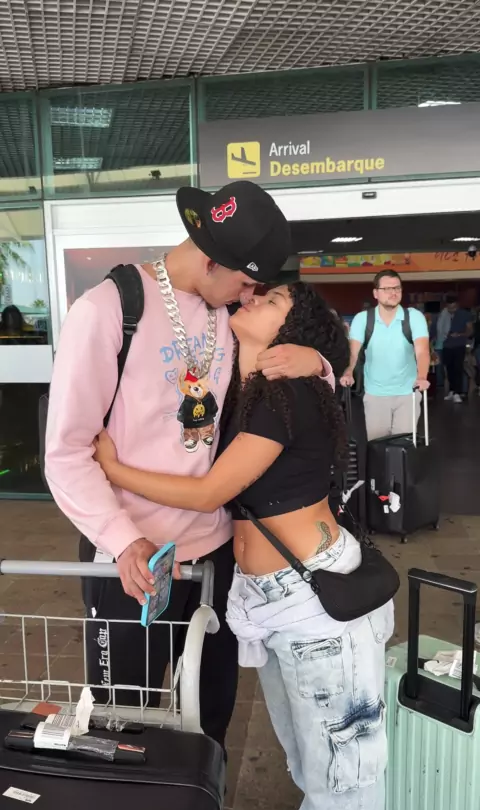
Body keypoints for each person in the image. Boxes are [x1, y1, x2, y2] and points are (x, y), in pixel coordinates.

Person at [94, 281, 394, 810]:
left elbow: (210, 492)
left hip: (313, 598)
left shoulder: (288, 394)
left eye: (272, 301)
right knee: (309, 759)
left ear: (291, 333)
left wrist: (114, 470)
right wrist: (323, 361)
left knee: (342, 774)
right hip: (276, 596)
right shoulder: (250, 390)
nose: (251, 299)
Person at [45, 180, 333, 754]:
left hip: (214, 558)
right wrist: (123, 540)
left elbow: (294, 375)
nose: (249, 297)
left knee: (210, 717)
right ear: (210, 261)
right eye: (246, 283)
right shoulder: (109, 310)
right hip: (132, 563)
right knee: (121, 723)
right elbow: (67, 452)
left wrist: (318, 361)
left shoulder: (224, 316)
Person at [340, 269, 430, 441]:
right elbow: (353, 351)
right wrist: (348, 371)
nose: (393, 293)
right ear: (376, 293)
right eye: (387, 289)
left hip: (408, 393)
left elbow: (422, 351)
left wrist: (422, 377)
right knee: (377, 447)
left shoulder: (414, 317)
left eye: (397, 288)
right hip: (375, 394)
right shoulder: (363, 319)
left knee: (403, 446)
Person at [440, 294, 473, 403]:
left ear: (457, 305)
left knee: (458, 368)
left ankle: (458, 392)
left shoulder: (465, 314)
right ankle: (452, 390)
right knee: (449, 369)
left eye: (454, 307)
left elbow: (470, 330)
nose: (452, 310)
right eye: (449, 308)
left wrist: (459, 334)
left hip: (459, 345)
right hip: (446, 345)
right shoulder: (444, 315)